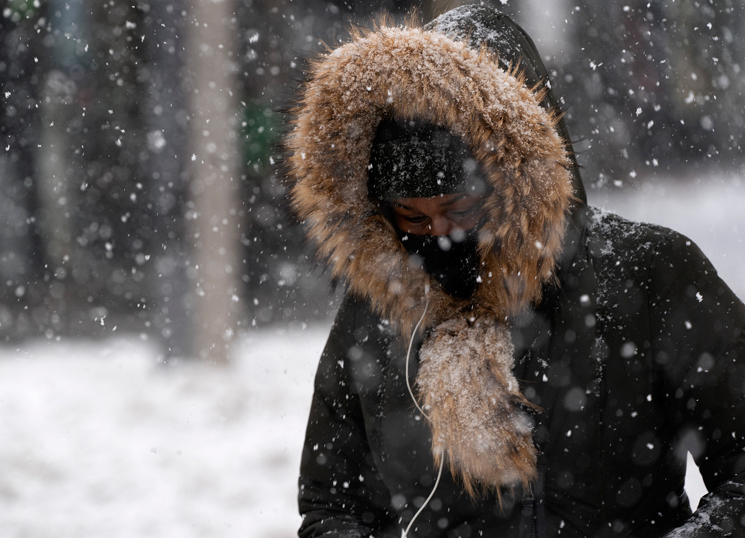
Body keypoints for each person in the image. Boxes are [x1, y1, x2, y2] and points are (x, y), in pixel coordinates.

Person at [285, 4, 745, 538]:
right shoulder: (380, 307)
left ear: (512, 187)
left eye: (459, 210)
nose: (437, 235)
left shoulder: (648, 274)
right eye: (412, 217)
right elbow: (333, 506)